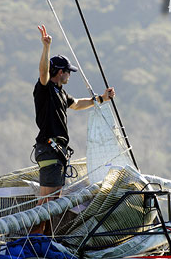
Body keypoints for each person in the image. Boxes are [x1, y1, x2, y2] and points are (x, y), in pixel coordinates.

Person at [31, 24, 115, 235]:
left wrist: (102, 99)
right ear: (60, 72)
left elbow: (77, 104)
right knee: (48, 203)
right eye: (68, 72)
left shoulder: (61, 93)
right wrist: (46, 47)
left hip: (55, 152)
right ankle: (34, 241)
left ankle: (40, 240)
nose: (70, 76)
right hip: (50, 150)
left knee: (49, 202)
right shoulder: (46, 88)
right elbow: (43, 72)